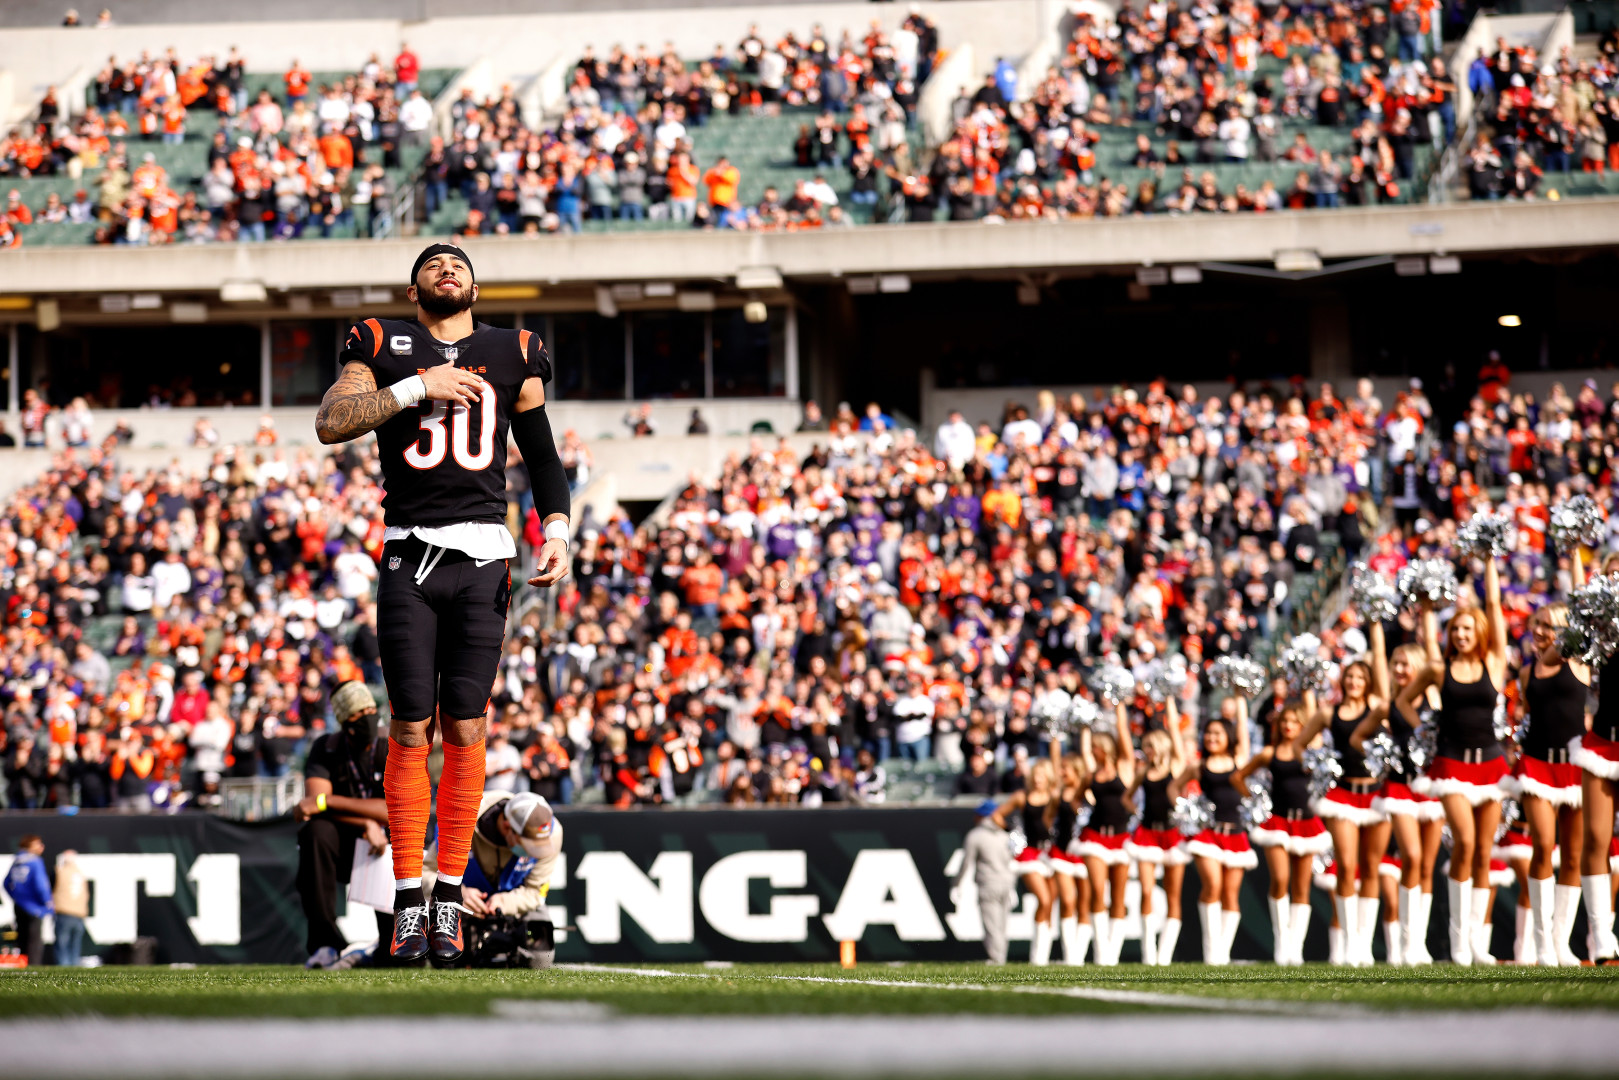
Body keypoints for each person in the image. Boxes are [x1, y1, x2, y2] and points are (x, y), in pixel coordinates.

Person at [315, 243, 572, 965]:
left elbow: (543, 456)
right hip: (409, 553)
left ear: (476, 286)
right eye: (433, 264)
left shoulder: (514, 349)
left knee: (464, 727)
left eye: (457, 263)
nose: (446, 268)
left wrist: (556, 530)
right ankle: (406, 901)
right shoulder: (380, 341)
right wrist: (415, 388)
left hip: (484, 554)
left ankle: (449, 899)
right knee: (408, 727)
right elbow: (332, 422)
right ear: (414, 287)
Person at [1398, 552, 1511, 966]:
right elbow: (1403, 701)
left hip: (1492, 766)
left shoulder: (1494, 662)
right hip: (1451, 765)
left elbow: (1496, 608)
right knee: (1463, 842)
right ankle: (1459, 942)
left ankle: (1477, 943)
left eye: (1467, 628)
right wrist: (1425, 730)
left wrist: (1489, 561)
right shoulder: (1439, 669)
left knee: (1484, 851)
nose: (1461, 634)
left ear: (1479, 632)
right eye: (1456, 628)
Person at [1300, 626, 1390, 967]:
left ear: (1367, 680)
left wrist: (1376, 629)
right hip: (1343, 795)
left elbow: (1379, 661)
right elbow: (1300, 745)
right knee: (1347, 866)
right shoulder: (1329, 713)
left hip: (1376, 794)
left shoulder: (1378, 707)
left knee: (1371, 867)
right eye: (1349, 676)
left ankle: (1364, 947)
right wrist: (1318, 762)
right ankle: (1350, 944)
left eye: (1359, 676)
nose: (1353, 682)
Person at [293, 682, 392, 969]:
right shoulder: (327, 747)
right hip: (343, 843)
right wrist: (365, 822)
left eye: (372, 709)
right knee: (315, 832)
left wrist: (329, 801)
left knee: (399, 833)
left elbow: (394, 810)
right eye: (360, 712)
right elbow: (311, 806)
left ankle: (392, 939)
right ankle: (325, 942)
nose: (369, 716)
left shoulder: (389, 746)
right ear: (345, 721)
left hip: (385, 844)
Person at [1357, 642, 1445, 965]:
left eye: (1406, 664)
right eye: (1396, 664)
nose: (1399, 670)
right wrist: (1379, 759)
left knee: (1426, 866)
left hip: (1430, 788)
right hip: (1398, 787)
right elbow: (1358, 738)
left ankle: (1417, 944)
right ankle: (1407, 944)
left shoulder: (1433, 697)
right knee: (1412, 854)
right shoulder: (1390, 703)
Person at [1514, 597, 1588, 966]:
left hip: (1574, 768)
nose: (1539, 631)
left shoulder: (1580, 663)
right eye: (1537, 624)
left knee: (1573, 856)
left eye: (1548, 626)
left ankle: (1561, 944)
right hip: (1536, 766)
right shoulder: (1528, 672)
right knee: (1543, 845)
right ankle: (1542, 944)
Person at [1239, 696, 1331, 965]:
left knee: (1301, 886)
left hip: (1306, 823)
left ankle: (1295, 948)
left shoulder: (1310, 749)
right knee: (1280, 878)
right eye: (1285, 721)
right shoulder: (1269, 752)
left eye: (1294, 721)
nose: (1289, 725)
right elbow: (1238, 777)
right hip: (1277, 823)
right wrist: (1255, 801)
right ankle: (1281, 942)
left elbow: (1317, 720)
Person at [423, 790, 561, 968]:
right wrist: (457, 893)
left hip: (516, 901)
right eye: (528, 846)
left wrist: (505, 902)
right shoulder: (461, 822)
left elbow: (535, 892)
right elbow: (424, 873)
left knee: (541, 959)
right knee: (443, 957)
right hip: (463, 903)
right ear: (506, 827)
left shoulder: (552, 834)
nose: (534, 852)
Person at [1185, 710, 1254, 965]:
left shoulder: (1238, 759)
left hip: (1235, 834)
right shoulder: (1199, 766)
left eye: (1217, 733)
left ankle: (1222, 953)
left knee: (1230, 893)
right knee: (1212, 885)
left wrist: (1240, 698)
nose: (1212, 738)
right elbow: (1174, 787)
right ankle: (1211, 951)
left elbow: (1245, 737)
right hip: (1208, 834)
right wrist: (1186, 810)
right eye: (1208, 733)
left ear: (1229, 736)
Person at [1125, 702, 1189, 965]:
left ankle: (1165, 954)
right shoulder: (1143, 772)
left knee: (1174, 895)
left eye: (1150, 746)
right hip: (1147, 835)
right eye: (1145, 746)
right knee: (1147, 891)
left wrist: (1171, 704)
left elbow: (1175, 733)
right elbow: (1127, 798)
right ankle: (1148, 953)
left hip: (1172, 835)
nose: (1147, 751)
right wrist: (1137, 813)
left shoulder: (1175, 766)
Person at [1076, 703, 1135, 965]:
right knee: (1098, 891)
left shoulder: (1124, 767)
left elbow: (1123, 733)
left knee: (1118, 897)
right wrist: (1085, 726)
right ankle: (1101, 952)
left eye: (1095, 748)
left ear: (1105, 749)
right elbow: (1079, 796)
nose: (1092, 752)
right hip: (1095, 837)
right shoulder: (1091, 774)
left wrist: (1120, 705)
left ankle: (1113, 952)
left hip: (1121, 838)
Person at [991, 757, 1059, 963]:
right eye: (1035, 776)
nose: (1038, 779)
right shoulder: (1022, 796)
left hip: (1051, 852)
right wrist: (1012, 831)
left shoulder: (1054, 797)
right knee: (1044, 899)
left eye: (1042, 776)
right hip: (1030, 853)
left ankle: (1044, 955)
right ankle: (1037, 957)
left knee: (1050, 903)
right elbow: (997, 815)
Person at [954, 799, 1015, 965]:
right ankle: (1001, 957)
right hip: (1007, 883)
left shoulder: (976, 835)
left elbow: (966, 862)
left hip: (988, 883)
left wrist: (956, 884)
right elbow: (1012, 862)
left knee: (992, 925)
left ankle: (997, 959)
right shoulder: (1005, 835)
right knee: (1002, 925)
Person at [4, 835, 52, 966]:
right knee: (34, 940)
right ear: (29, 846)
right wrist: (47, 902)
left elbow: (6, 883)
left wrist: (16, 897)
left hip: (19, 905)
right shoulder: (35, 861)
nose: (41, 847)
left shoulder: (17, 861)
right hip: (34, 907)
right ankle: (34, 967)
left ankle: (23, 965)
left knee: (23, 938)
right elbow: (41, 885)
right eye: (38, 844)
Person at [52, 849, 89, 967]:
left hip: (64, 912)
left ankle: (64, 968)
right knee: (75, 945)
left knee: (62, 944)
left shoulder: (59, 871)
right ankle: (74, 967)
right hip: (79, 914)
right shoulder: (80, 873)